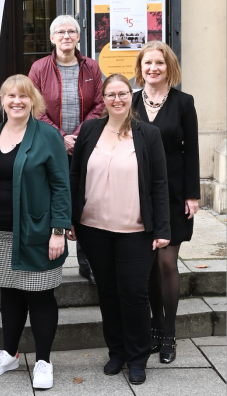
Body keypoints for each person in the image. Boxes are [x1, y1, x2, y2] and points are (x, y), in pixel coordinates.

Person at [0, 74, 71, 391]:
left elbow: (60, 185)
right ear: (2, 100)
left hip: (37, 231)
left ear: (33, 101)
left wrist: (59, 230)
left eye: (23, 96)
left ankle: (43, 361)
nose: (17, 101)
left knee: (40, 296)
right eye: (11, 96)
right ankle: (9, 353)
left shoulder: (47, 136)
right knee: (10, 292)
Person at [69, 73, 170, 385]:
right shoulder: (90, 130)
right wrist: (69, 219)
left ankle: (138, 356)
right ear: (104, 98)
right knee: (108, 292)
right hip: (93, 228)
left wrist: (162, 228)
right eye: (111, 94)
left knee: (134, 293)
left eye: (123, 94)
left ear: (131, 96)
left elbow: (159, 183)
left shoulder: (147, 134)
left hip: (135, 230)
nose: (117, 99)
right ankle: (117, 352)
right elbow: (75, 176)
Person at [131, 42, 200, 363]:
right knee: (148, 269)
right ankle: (154, 329)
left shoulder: (184, 103)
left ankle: (169, 334)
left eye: (159, 63)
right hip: (138, 195)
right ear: (140, 67)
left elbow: (192, 151)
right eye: (148, 63)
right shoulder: (130, 102)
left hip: (173, 195)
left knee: (166, 263)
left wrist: (192, 194)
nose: (153, 68)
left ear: (168, 66)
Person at [29, 14, 104, 285]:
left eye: (71, 31)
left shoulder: (92, 68)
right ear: (52, 38)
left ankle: (88, 263)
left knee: (87, 202)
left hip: (86, 147)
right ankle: (51, 260)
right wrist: (61, 137)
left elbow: (101, 103)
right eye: (60, 32)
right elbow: (34, 107)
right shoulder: (39, 68)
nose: (66, 36)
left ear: (79, 36)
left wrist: (78, 137)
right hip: (50, 146)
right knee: (52, 201)